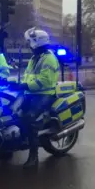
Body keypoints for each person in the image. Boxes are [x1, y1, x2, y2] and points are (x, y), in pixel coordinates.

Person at [17, 28, 60, 169]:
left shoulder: (49, 59)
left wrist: (26, 86)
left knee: (30, 120)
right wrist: (16, 84)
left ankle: (33, 157)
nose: (28, 45)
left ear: (36, 43)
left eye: (30, 42)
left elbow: (45, 81)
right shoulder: (35, 58)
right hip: (32, 93)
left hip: (45, 94)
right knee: (13, 113)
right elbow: (28, 76)